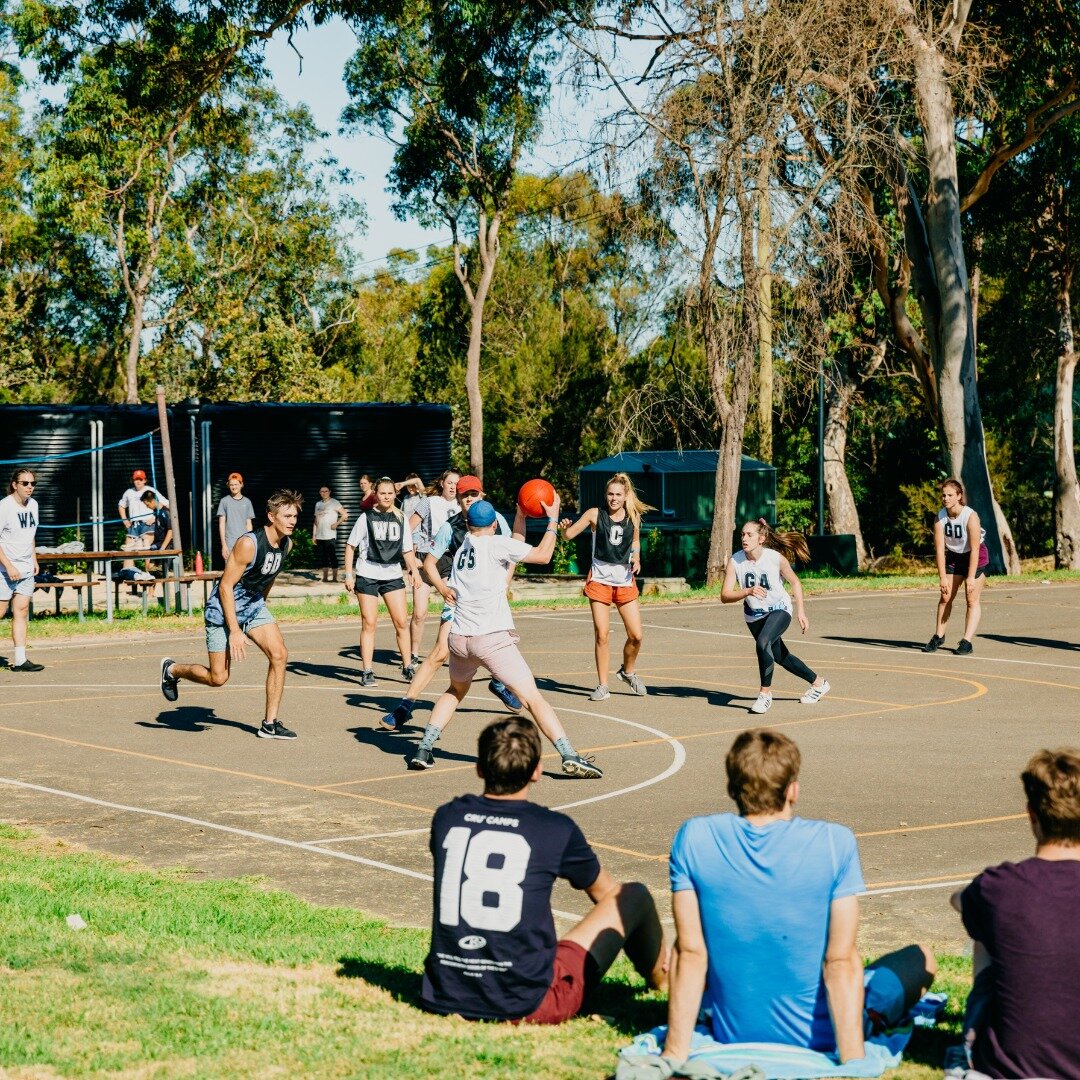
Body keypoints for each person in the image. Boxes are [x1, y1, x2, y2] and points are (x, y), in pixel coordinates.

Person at [662, 728, 935, 1067]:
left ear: (732, 788)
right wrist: (852, 1062)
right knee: (919, 957)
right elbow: (839, 960)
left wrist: (673, 1053)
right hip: (821, 1037)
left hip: (730, 1032)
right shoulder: (835, 843)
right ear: (793, 790)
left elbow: (689, 952)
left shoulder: (693, 838)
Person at [421, 716, 667, 1023]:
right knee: (633, 896)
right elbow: (606, 895)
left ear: (480, 768)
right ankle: (663, 982)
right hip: (526, 1003)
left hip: (444, 994)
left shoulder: (447, 817)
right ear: (537, 771)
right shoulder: (553, 828)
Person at [406, 495, 601, 778]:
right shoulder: (496, 544)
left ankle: (424, 748)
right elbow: (543, 556)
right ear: (495, 524)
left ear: (468, 523)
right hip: (491, 638)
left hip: (460, 638)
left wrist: (443, 589)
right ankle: (569, 755)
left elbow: (431, 564)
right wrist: (553, 519)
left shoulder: (462, 550)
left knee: (455, 691)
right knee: (533, 699)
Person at [949, 748, 1080, 1079]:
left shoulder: (1000, 886)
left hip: (1013, 1066)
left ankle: (976, 1039)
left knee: (987, 934)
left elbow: (959, 900)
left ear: (1031, 814)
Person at [380, 474, 521, 731]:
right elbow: (430, 563)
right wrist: (443, 588)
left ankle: (499, 683)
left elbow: (513, 552)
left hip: (492, 601)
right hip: (462, 601)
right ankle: (405, 706)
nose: (469, 498)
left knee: (499, 650)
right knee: (439, 653)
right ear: (457, 497)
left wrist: (505, 582)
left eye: (474, 494)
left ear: (482, 495)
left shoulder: (496, 520)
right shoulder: (450, 527)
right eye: (464, 494)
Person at [159, 489, 302, 740]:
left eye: (295, 516)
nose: (292, 521)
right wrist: (235, 630)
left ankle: (269, 724)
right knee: (218, 678)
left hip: (253, 606)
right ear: (271, 516)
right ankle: (172, 670)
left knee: (280, 655)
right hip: (222, 610)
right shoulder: (249, 543)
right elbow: (225, 586)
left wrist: (261, 606)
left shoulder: (286, 544)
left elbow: (269, 577)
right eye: (287, 516)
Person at [559, 472, 654, 700]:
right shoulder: (594, 514)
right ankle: (603, 685)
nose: (614, 498)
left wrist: (637, 558)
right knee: (602, 634)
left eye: (618, 494)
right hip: (600, 580)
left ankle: (627, 672)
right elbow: (568, 536)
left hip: (624, 582)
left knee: (637, 636)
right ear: (606, 495)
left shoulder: (634, 516)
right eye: (610, 494)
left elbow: (636, 541)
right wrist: (563, 528)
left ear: (625, 496)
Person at [721, 518, 829, 714]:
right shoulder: (735, 561)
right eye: (742, 534)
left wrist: (801, 612)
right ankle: (819, 683)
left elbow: (795, 583)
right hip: (753, 615)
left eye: (749, 535)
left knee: (763, 643)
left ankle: (764, 695)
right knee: (780, 656)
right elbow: (725, 596)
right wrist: (747, 591)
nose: (744, 538)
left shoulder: (775, 558)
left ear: (761, 538)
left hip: (779, 609)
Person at [344, 476, 422, 687]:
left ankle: (407, 666)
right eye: (382, 493)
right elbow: (350, 546)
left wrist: (413, 571)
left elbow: (407, 550)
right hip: (367, 574)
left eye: (390, 493)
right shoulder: (366, 517)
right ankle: (367, 671)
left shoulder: (402, 518)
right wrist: (348, 575)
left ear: (395, 495)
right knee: (369, 622)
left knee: (401, 622)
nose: (386, 496)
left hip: (392, 575)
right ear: (375, 495)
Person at [924, 478, 988, 655]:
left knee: (971, 599)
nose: (945, 498)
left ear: (959, 496)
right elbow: (939, 550)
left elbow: (975, 549)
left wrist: (970, 577)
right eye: (943, 495)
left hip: (974, 557)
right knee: (945, 597)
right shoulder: (940, 517)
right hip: (954, 556)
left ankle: (967, 641)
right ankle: (939, 635)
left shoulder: (970, 516)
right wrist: (943, 577)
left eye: (950, 495)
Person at [0, 468, 44, 672]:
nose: (29, 487)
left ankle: (20, 660)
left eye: (32, 483)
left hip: (26, 568)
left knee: (22, 610)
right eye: (25, 483)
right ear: (14, 484)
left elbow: (31, 534)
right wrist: (8, 565)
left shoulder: (33, 505)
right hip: (5, 569)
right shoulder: (5, 506)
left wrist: (33, 558)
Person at [400, 472, 430, 672]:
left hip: (439, 555)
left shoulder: (423, 498)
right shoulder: (405, 501)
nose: (411, 489)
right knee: (419, 612)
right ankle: (414, 653)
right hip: (417, 553)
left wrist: (402, 482)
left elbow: (419, 483)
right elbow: (405, 525)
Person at [118, 469, 167, 569]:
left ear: (145, 480)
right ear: (133, 480)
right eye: (136, 479)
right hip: (134, 525)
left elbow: (165, 504)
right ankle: (129, 576)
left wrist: (155, 518)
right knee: (127, 552)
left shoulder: (151, 491)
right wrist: (125, 520)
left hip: (148, 525)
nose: (138, 481)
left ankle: (149, 576)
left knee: (146, 550)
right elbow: (121, 505)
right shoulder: (128, 492)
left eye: (140, 479)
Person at [312, 484, 348, 584]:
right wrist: (314, 535)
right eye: (322, 491)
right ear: (320, 493)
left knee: (332, 556)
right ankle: (325, 578)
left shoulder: (335, 502)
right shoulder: (318, 504)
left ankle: (335, 578)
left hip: (330, 535)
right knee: (323, 557)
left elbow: (345, 515)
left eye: (326, 491)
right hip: (320, 535)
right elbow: (316, 521)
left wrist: (336, 524)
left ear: (330, 491)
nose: (324, 493)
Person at [216, 472, 255, 563]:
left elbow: (248, 523)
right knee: (230, 570)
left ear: (241, 484)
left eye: (236, 484)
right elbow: (222, 524)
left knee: (245, 568)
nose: (234, 487)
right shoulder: (224, 501)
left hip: (244, 542)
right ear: (228, 486)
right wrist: (224, 545)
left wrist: (251, 541)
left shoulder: (247, 502)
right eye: (231, 485)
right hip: (229, 543)